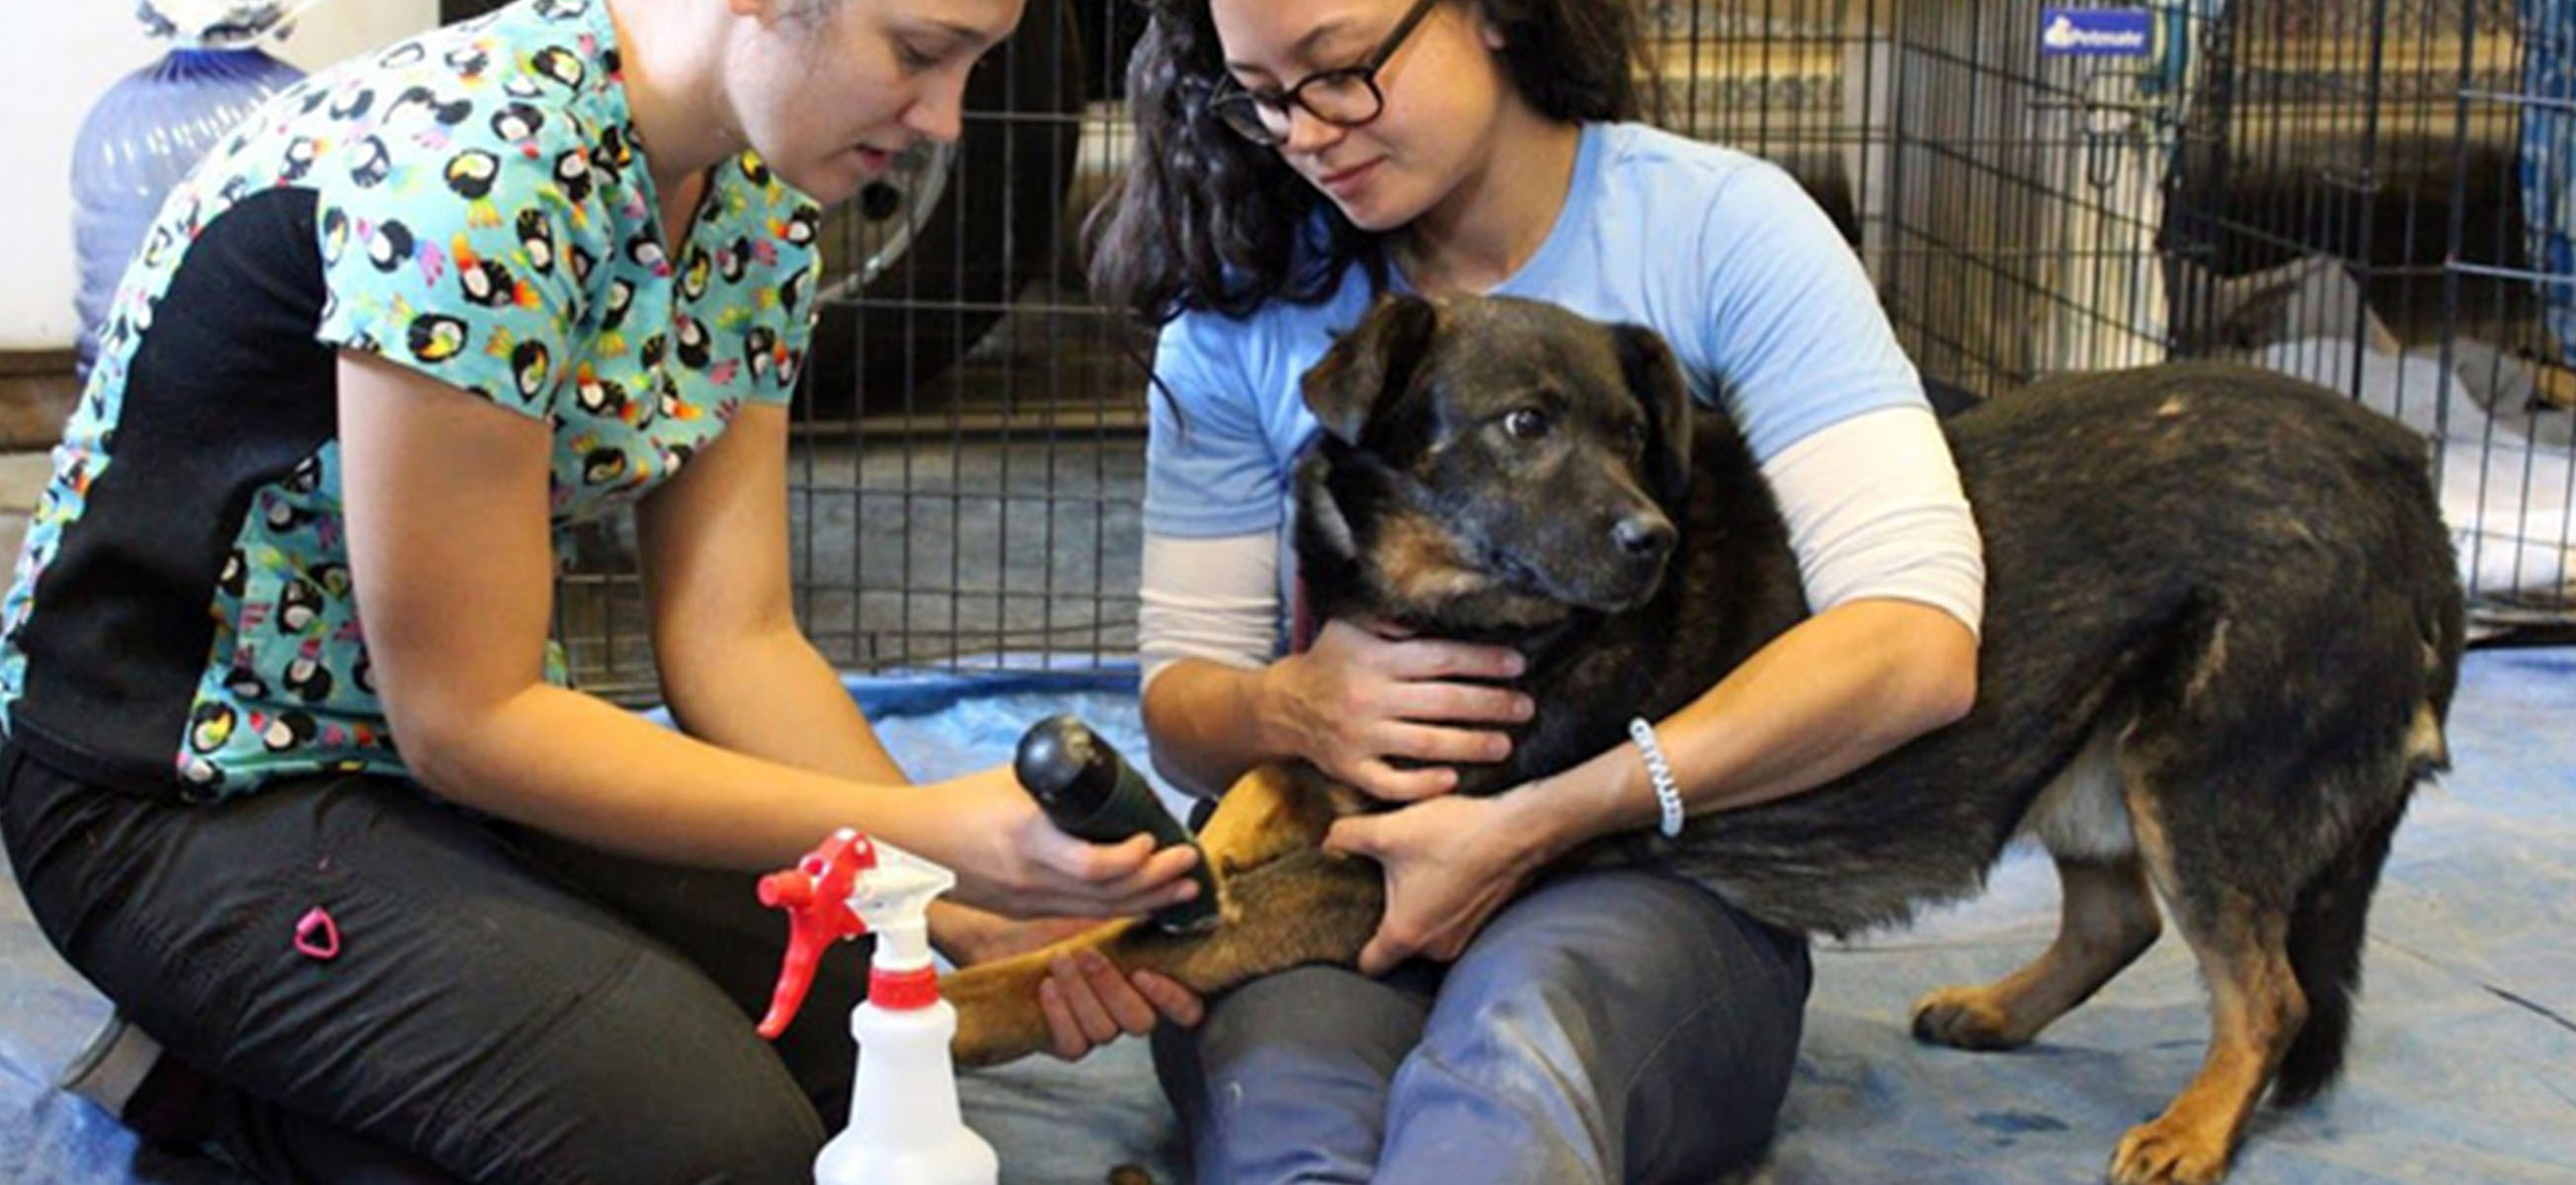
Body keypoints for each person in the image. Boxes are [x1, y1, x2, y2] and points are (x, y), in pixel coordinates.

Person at [0, 1, 1200, 1182]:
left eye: (975, 66)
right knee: (713, 1151)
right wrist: (926, 830)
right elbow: (466, 727)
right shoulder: (471, 177)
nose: (945, 120)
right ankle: (210, 1092)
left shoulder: (758, 197)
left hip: (418, 758)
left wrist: (932, 895)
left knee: (857, 1023)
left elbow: (735, 636)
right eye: (921, 53)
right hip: (181, 792)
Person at [1086, 0, 1988, 1180]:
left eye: (1343, 67)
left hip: (1656, 873)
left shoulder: (1723, 228)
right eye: (1261, 95)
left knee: (1522, 1057)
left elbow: (1914, 644)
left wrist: (1542, 821)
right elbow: (1182, 711)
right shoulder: (1244, 303)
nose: (1307, 132)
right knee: (1289, 1109)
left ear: (1496, 13)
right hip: (1352, 858)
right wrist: (1291, 707)